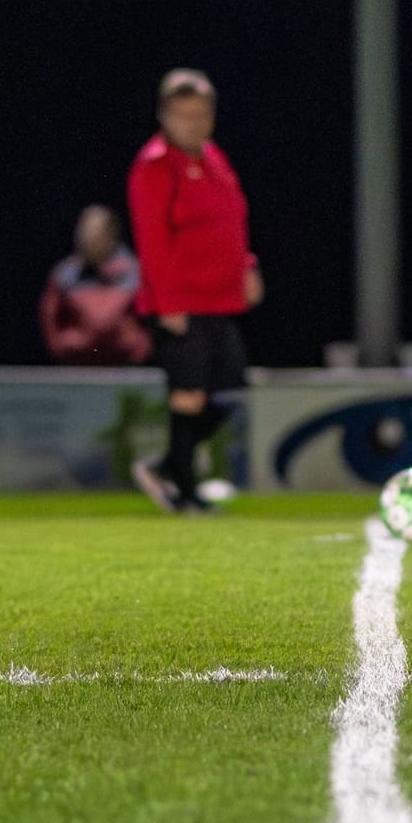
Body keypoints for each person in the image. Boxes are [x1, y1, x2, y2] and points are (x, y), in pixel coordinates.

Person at [126, 68, 264, 511]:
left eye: (202, 113)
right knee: (188, 395)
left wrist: (247, 266)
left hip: (219, 299)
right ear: (165, 116)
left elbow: (232, 218)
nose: (194, 122)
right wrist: (169, 304)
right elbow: (152, 240)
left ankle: (165, 466)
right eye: (184, 115)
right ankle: (184, 493)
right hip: (180, 304)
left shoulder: (214, 158)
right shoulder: (154, 165)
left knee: (228, 392)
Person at [40, 206, 152, 365]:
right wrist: (63, 346)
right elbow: (50, 317)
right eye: (84, 233)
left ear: (112, 234)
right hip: (77, 367)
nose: (87, 239)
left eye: (95, 234)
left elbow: (151, 320)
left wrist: (140, 347)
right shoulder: (64, 275)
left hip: (126, 367)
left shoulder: (136, 273)